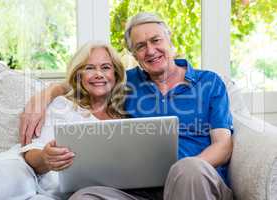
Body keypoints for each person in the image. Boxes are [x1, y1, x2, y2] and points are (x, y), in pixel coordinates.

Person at [20, 12, 234, 200]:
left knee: (189, 169)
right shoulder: (128, 83)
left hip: (197, 183)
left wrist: (177, 173)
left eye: (155, 40)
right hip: (143, 191)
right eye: (141, 46)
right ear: (135, 56)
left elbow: (223, 147)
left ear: (170, 41)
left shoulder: (209, 82)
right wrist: (43, 97)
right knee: (85, 196)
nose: (150, 51)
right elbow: (86, 79)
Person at [0, 41, 127, 200]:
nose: (99, 74)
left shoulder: (126, 115)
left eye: (105, 67)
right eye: (89, 68)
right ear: (79, 75)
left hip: (58, 194)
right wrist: (45, 157)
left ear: (116, 73)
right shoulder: (63, 105)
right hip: (22, 174)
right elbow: (29, 154)